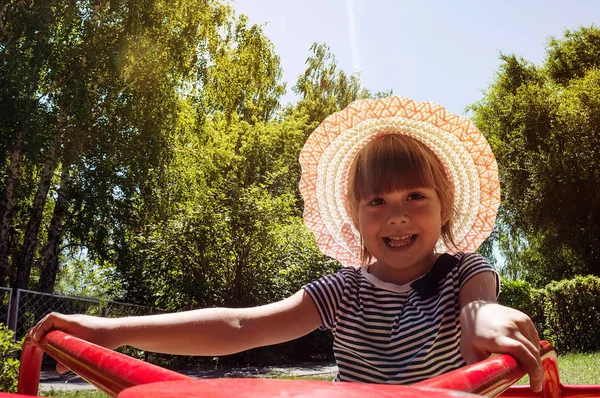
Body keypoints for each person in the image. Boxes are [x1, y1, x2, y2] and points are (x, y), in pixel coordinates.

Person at [29, 96, 542, 392]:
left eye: (415, 196)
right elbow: (239, 324)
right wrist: (115, 332)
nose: (398, 215)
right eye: (377, 202)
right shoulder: (343, 292)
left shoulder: (463, 273)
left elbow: (478, 309)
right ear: (358, 218)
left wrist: (488, 320)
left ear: (445, 206)